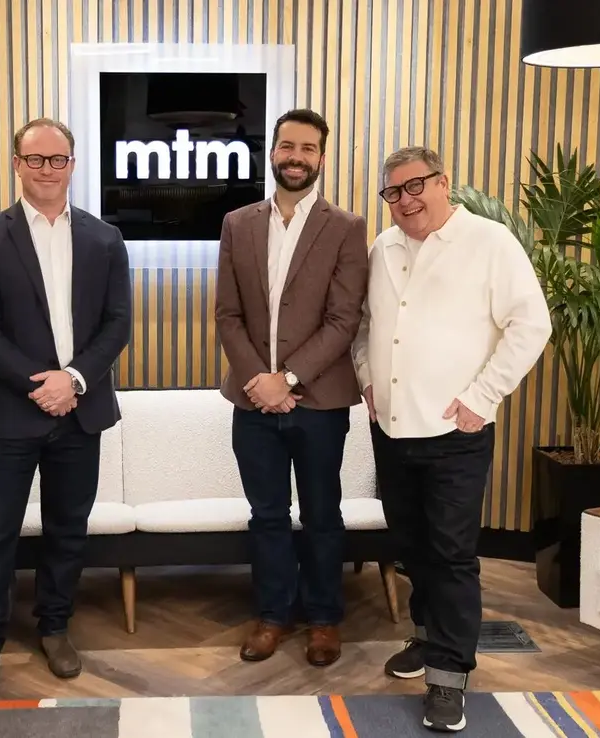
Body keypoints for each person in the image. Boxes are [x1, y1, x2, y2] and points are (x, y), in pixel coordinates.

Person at [352, 146, 551, 732]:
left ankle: (449, 674)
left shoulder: (489, 243)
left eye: (416, 186)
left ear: (444, 183)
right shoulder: (382, 248)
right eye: (393, 192)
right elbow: (365, 328)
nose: (405, 200)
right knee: (413, 548)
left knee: (452, 555)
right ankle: (425, 636)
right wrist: (366, 381)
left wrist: (482, 397)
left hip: (454, 431)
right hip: (390, 429)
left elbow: (531, 323)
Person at [0, 117, 132, 705]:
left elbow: (117, 324)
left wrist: (75, 379)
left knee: (67, 531)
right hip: (13, 412)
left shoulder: (105, 238)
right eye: (36, 160)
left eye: (58, 160)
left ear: (73, 166)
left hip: (80, 412)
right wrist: (42, 384)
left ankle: (54, 627)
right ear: (17, 164)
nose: (47, 170)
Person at [214, 108, 369, 667]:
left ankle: (325, 619)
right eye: (287, 146)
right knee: (268, 515)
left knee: (323, 514)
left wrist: (290, 379)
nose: (296, 157)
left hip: (320, 402)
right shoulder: (238, 223)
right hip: (252, 400)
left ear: (321, 158)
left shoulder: (347, 227)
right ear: (271, 152)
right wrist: (260, 381)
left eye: (308, 148)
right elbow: (228, 314)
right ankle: (274, 615)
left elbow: (343, 319)